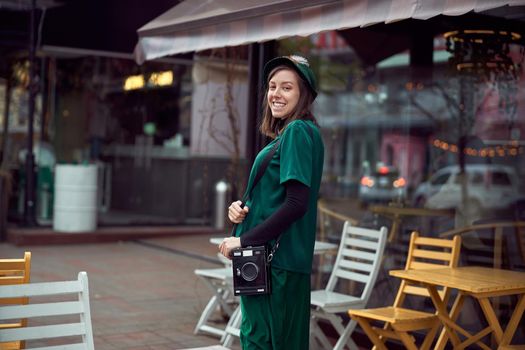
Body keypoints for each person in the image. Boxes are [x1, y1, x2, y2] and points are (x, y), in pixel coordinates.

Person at [219, 55, 324, 349]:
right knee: (259, 338)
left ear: (304, 94)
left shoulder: (298, 131)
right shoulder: (288, 135)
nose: (276, 94)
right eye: (272, 86)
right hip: (268, 262)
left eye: (287, 88)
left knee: (264, 341)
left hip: (276, 263)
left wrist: (244, 240)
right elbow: (278, 197)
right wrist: (243, 209)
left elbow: (296, 204)